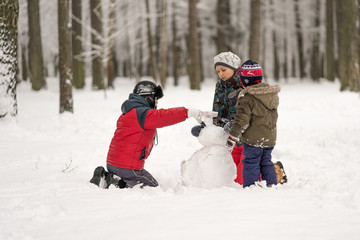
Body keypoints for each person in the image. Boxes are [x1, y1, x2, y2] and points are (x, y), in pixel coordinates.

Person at [90, 80, 218, 189]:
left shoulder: (130, 113)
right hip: (129, 168)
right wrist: (189, 112)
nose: (157, 103)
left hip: (113, 163)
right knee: (152, 187)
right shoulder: (143, 114)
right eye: (156, 99)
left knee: (141, 183)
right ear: (148, 97)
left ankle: (109, 176)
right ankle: (115, 182)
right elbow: (165, 116)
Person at [192, 52, 287, 186]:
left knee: (248, 169)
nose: (221, 74)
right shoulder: (220, 85)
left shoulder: (247, 85)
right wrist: (208, 128)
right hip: (232, 136)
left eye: (223, 70)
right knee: (235, 177)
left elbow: (251, 113)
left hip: (248, 135)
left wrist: (235, 126)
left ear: (234, 68)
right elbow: (217, 111)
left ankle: (276, 172)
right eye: (218, 71)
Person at [226, 60, 281, 188]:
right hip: (270, 137)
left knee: (251, 162)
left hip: (253, 139)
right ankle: (271, 185)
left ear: (245, 81)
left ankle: (252, 187)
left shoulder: (247, 98)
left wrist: (232, 136)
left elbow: (241, 121)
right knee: (266, 161)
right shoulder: (270, 95)